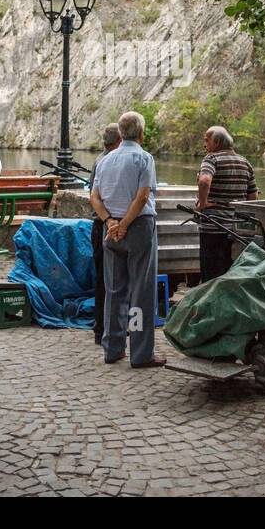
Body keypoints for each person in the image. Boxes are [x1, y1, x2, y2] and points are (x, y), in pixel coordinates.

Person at [89, 111, 163, 368]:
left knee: (114, 291)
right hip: (138, 227)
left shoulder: (105, 161)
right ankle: (141, 354)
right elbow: (142, 197)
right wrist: (125, 224)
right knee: (141, 293)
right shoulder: (145, 158)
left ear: (119, 134)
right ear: (142, 134)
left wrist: (110, 222)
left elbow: (94, 197)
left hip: (110, 230)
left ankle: (112, 348)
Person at [195, 125, 259, 283]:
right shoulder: (245, 162)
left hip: (213, 228)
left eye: (206, 140)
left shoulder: (211, 158)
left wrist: (202, 204)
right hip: (237, 231)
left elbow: (204, 181)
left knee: (211, 278)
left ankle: (212, 306)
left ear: (216, 142)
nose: (205, 144)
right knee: (231, 275)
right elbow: (253, 197)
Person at [89, 123, 122, 345]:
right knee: (108, 280)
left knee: (104, 280)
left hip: (101, 223)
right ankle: (104, 328)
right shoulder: (108, 162)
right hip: (107, 225)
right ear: (119, 141)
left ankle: (103, 328)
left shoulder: (99, 160)